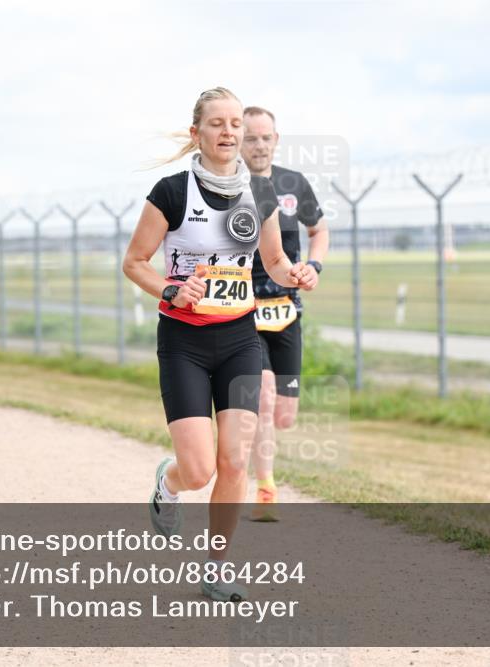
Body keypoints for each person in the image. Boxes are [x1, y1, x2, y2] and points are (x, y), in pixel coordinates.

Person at [123, 87, 315, 602]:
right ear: (197, 134)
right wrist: (170, 287)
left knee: (235, 461)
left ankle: (217, 566)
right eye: (217, 124)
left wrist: (294, 273)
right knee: (200, 468)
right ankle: (169, 481)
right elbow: (135, 262)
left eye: (235, 124)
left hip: (238, 339)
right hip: (184, 341)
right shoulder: (170, 192)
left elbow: (272, 263)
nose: (229, 132)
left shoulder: (263, 194)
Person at [240, 106, 329, 521]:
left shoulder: (293, 183)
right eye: (250, 137)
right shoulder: (231, 185)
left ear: (276, 139)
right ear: (238, 141)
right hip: (244, 312)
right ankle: (266, 488)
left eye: (265, 137)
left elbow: (319, 231)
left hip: (287, 312)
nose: (258, 145)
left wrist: (313, 266)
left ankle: (240, 440)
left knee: (284, 416)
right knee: (263, 397)